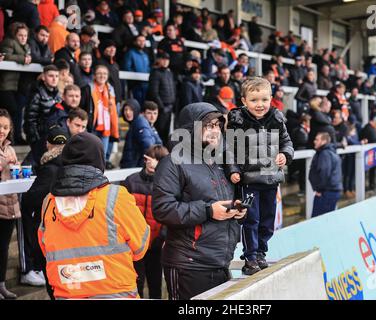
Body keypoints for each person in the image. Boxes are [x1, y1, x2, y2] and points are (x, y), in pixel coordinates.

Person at [38, 132, 150, 299]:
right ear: (99, 159)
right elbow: (140, 246)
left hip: (68, 293)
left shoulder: (49, 202)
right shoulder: (116, 197)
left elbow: (46, 248)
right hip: (115, 292)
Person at [152, 102, 246, 300]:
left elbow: (220, 203)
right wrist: (208, 211)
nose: (215, 131)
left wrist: (237, 209)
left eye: (218, 125)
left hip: (219, 262)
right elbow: (162, 209)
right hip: (189, 265)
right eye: (209, 125)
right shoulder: (172, 163)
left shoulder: (220, 162)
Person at [226, 77, 294, 275]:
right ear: (244, 101)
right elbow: (229, 150)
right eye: (254, 100)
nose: (260, 105)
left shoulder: (277, 118)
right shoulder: (238, 120)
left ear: (271, 99)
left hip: (270, 178)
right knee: (251, 219)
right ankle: (250, 257)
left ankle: (261, 252)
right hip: (249, 181)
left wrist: (285, 155)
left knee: (267, 219)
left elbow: (287, 143)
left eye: (264, 100)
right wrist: (233, 170)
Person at [20, 126, 68, 288]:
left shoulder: (50, 168)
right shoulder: (68, 166)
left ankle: (33, 267)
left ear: (48, 145)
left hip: (49, 227)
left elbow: (29, 200)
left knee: (54, 284)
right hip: (65, 227)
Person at [122, 145, 169, 299]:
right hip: (134, 245)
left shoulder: (167, 184)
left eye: (155, 159)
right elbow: (122, 213)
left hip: (156, 245)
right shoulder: (131, 181)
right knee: (136, 285)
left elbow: (170, 214)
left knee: (156, 286)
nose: (150, 163)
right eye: (149, 158)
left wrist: (162, 237)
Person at [0, 22, 32, 144]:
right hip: (5, 85)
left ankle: (16, 137)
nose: (23, 38)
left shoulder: (26, 46)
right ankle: (11, 138)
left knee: (18, 110)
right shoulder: (9, 42)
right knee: (12, 109)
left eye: (25, 35)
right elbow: (5, 56)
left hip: (17, 86)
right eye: (20, 35)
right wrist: (22, 59)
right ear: (15, 35)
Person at [0, 109, 20, 299]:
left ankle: (2, 285)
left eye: (6, 127)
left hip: (10, 206)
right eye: (0, 126)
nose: (2, 130)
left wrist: (19, 169)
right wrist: (4, 164)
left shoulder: (10, 148)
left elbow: (13, 174)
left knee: (4, 248)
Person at [24, 64, 62, 165]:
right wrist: (35, 141)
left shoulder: (58, 95)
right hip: (40, 138)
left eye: (56, 76)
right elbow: (30, 120)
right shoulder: (36, 94)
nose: (54, 79)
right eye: (51, 76)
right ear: (44, 77)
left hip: (54, 138)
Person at [79, 65, 119, 157]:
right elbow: (82, 107)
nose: (102, 76)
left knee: (102, 156)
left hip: (106, 128)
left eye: (104, 73)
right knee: (90, 155)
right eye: (99, 73)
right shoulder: (88, 88)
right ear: (94, 75)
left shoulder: (110, 89)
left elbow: (113, 110)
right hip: (92, 128)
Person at [309, 132, 343, 218]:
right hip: (330, 191)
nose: (314, 141)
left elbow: (324, 173)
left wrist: (319, 190)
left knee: (317, 221)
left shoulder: (325, 154)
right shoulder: (330, 152)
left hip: (326, 192)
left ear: (324, 141)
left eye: (317, 139)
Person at [146, 52, 176, 146]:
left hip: (169, 107)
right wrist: (161, 107)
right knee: (159, 132)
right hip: (160, 108)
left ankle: (163, 153)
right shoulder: (155, 73)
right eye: (163, 59)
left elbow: (173, 89)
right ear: (159, 60)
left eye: (167, 59)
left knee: (166, 132)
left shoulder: (169, 73)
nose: (165, 61)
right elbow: (154, 92)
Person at [120, 99, 159, 168]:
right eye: (126, 109)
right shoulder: (136, 122)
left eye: (131, 110)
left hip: (135, 167)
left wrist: (143, 165)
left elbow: (148, 145)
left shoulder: (139, 122)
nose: (128, 112)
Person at [123, 35, 151, 106]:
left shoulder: (145, 55)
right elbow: (127, 68)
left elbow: (148, 68)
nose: (141, 43)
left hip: (146, 85)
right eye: (139, 41)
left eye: (143, 41)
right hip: (135, 85)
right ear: (135, 42)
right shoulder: (130, 53)